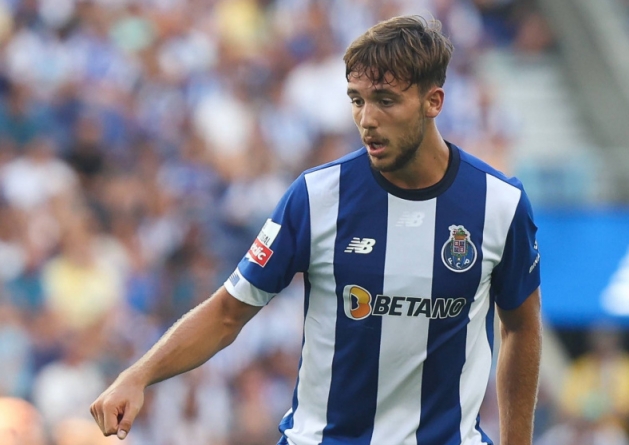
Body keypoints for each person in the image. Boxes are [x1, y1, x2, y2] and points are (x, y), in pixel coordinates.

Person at [90, 15, 543, 445]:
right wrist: (138, 375)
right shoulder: (317, 196)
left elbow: (521, 328)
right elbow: (229, 312)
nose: (367, 119)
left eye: (386, 101)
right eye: (357, 100)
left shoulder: (499, 203)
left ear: (433, 102)